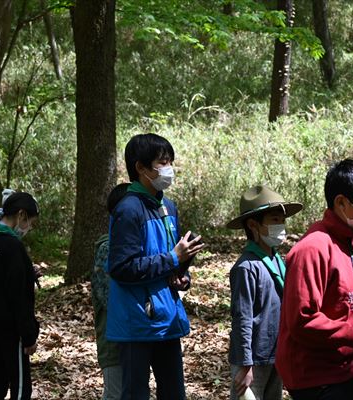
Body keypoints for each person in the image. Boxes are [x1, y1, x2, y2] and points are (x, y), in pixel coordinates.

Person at [276, 159, 353, 400]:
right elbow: (302, 321)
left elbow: (349, 309)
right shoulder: (312, 249)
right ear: (341, 203)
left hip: (347, 369)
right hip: (317, 378)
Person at [106, 133, 204, 400]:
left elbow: (172, 259)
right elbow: (121, 267)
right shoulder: (128, 209)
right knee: (135, 394)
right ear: (140, 167)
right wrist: (172, 259)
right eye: (162, 162)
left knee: (174, 393)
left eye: (170, 161)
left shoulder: (167, 206)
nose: (168, 168)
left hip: (167, 317)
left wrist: (181, 275)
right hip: (136, 322)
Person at [226, 185, 303, 400]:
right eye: (274, 220)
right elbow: (242, 318)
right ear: (253, 225)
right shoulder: (246, 267)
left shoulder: (277, 260)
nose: (280, 226)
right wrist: (245, 364)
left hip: (275, 354)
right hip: (252, 360)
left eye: (282, 220)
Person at [0, 192, 40, 400]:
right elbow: (19, 295)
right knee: (21, 387)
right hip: (12, 329)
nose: (29, 227)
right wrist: (28, 334)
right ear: (21, 215)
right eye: (30, 222)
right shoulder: (12, 246)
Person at [92, 183, 130, 400]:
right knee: (116, 395)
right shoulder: (108, 248)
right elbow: (109, 298)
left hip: (133, 341)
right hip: (114, 343)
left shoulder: (127, 244)